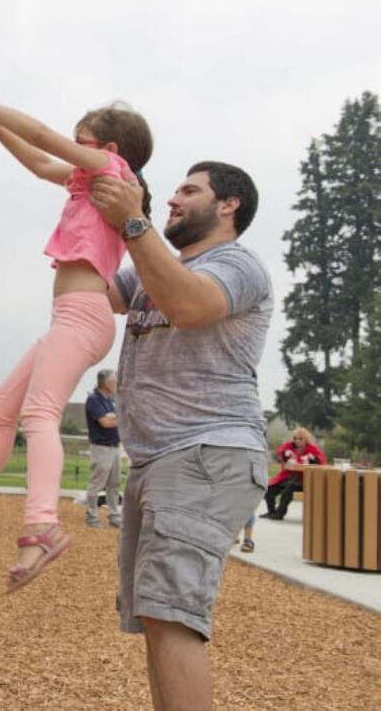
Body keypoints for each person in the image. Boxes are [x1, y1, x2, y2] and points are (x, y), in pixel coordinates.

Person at [0, 84, 152, 593]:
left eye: (82, 140)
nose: (72, 146)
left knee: (39, 412)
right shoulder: (85, 182)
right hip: (68, 314)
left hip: (85, 315)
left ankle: (42, 524)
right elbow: (39, 161)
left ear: (108, 151)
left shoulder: (112, 171)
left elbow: (43, 136)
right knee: (4, 406)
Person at [90, 161, 271, 711]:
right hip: (155, 459)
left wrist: (133, 222)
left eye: (189, 190)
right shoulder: (152, 267)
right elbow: (85, 293)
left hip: (206, 450)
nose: (172, 199)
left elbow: (190, 306)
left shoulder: (236, 264)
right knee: (156, 614)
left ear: (228, 206)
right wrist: (84, 200)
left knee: (172, 615)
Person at [260, 426, 325, 520]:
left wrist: (312, 459)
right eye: (295, 438)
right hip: (287, 477)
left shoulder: (312, 449)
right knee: (270, 489)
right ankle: (271, 511)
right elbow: (280, 452)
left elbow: (321, 459)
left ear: (306, 439)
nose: (297, 441)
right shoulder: (289, 446)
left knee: (288, 490)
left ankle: (279, 513)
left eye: (300, 438)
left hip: (303, 479)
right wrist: (286, 454)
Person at [84, 368, 122, 528]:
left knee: (114, 484)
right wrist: (118, 418)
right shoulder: (94, 399)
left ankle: (114, 516)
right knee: (97, 484)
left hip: (114, 447)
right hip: (101, 448)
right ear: (105, 383)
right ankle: (92, 516)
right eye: (114, 380)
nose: (116, 383)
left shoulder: (110, 400)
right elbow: (106, 423)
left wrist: (115, 417)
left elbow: (114, 419)